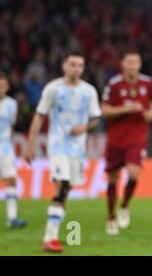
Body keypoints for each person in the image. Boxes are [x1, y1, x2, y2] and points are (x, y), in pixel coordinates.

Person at [25, 53, 101, 253]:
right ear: (64, 66)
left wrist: (83, 127)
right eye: (73, 64)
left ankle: (54, 233)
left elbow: (96, 118)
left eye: (80, 65)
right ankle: (49, 239)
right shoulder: (53, 89)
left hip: (77, 150)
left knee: (65, 192)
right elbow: (39, 116)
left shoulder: (89, 91)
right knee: (62, 186)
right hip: (57, 145)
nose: (76, 68)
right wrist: (30, 145)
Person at [101, 52, 152, 235]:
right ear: (123, 65)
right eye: (129, 62)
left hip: (137, 138)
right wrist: (127, 108)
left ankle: (124, 205)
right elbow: (105, 110)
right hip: (116, 139)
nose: (133, 65)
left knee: (134, 174)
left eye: (136, 62)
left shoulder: (147, 83)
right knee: (113, 178)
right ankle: (111, 216)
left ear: (140, 65)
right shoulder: (114, 84)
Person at [0, 72, 27, 228]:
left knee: (11, 179)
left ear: (7, 87)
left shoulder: (12, 104)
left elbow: (13, 124)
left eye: (3, 86)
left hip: (5, 146)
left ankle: (12, 218)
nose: (0, 89)